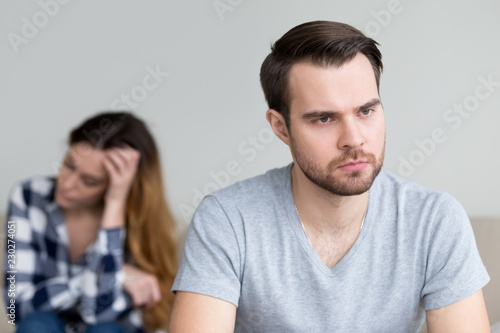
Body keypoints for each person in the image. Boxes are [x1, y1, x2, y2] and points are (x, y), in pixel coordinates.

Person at [169, 21, 490, 332]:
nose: (353, 139)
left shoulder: (434, 221)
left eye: (366, 111)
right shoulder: (228, 220)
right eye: (324, 118)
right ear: (281, 127)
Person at [4, 112, 178, 333]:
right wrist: (111, 275)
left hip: (111, 329)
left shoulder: (137, 221)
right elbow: (15, 307)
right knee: (36, 325)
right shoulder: (28, 196)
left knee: (105, 329)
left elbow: (98, 312)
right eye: (69, 165)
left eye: (89, 181)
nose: (67, 184)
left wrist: (115, 203)